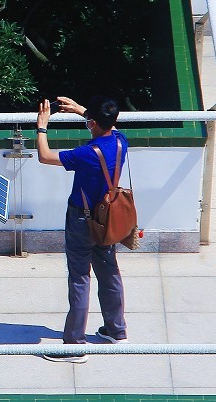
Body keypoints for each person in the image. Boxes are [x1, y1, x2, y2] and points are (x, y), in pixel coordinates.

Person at [35, 95, 129, 363]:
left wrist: (42, 126)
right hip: (107, 218)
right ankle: (116, 330)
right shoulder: (121, 142)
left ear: (93, 123)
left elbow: (44, 156)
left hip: (81, 221)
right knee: (109, 271)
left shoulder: (87, 153)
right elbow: (107, 125)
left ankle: (74, 344)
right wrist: (81, 111)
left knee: (79, 278)